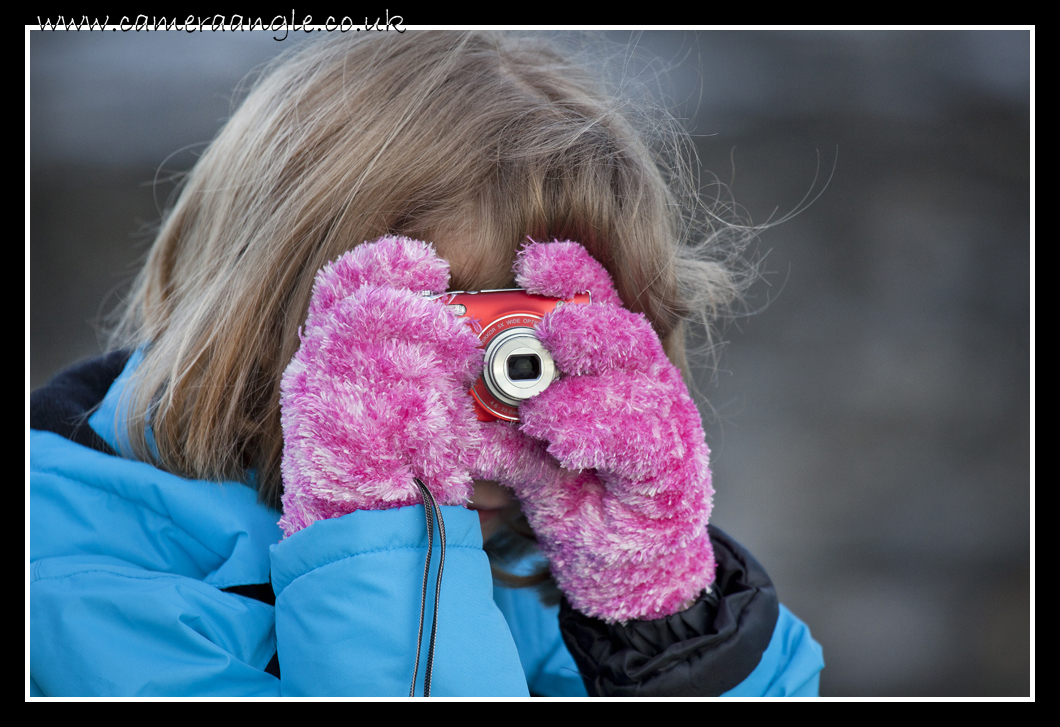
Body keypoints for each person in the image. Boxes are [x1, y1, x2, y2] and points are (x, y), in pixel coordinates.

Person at [30, 31, 824, 697]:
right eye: (436, 356)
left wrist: (659, 621)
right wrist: (379, 526)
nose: (489, 431)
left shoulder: (532, 589)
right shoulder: (76, 610)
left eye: (526, 358)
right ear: (263, 319)